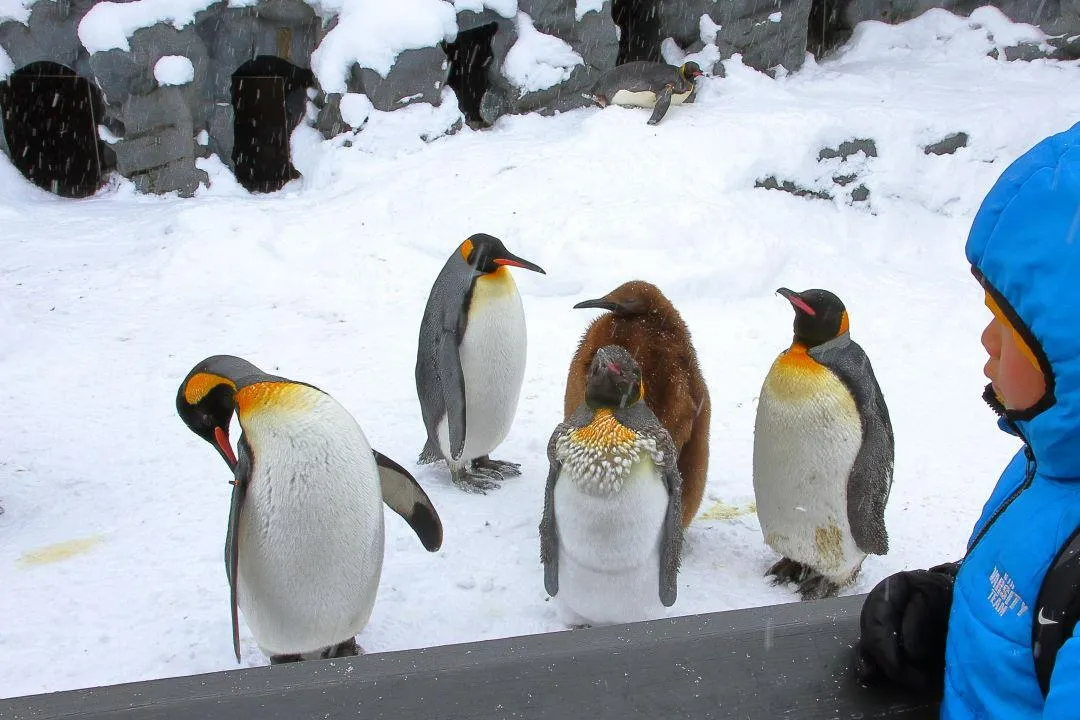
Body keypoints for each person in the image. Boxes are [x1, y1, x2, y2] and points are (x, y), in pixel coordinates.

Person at [854, 120, 1080, 717]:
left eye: (1010, 325)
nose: (986, 339)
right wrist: (957, 603)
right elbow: (1038, 580)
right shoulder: (1053, 460)